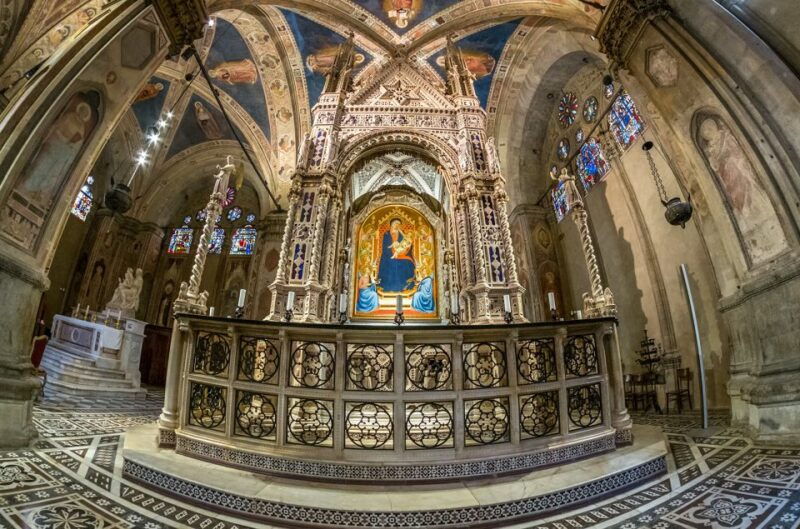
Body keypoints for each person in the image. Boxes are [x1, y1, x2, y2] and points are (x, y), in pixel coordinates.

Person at [377, 219, 416, 293]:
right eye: (395, 224)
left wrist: (407, 247)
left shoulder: (402, 233)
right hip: (389, 254)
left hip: (401, 254)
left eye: (398, 224)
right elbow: (385, 247)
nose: (397, 225)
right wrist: (393, 246)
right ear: (391, 225)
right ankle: (389, 287)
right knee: (392, 262)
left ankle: (406, 286)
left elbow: (408, 243)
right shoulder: (387, 234)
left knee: (408, 262)